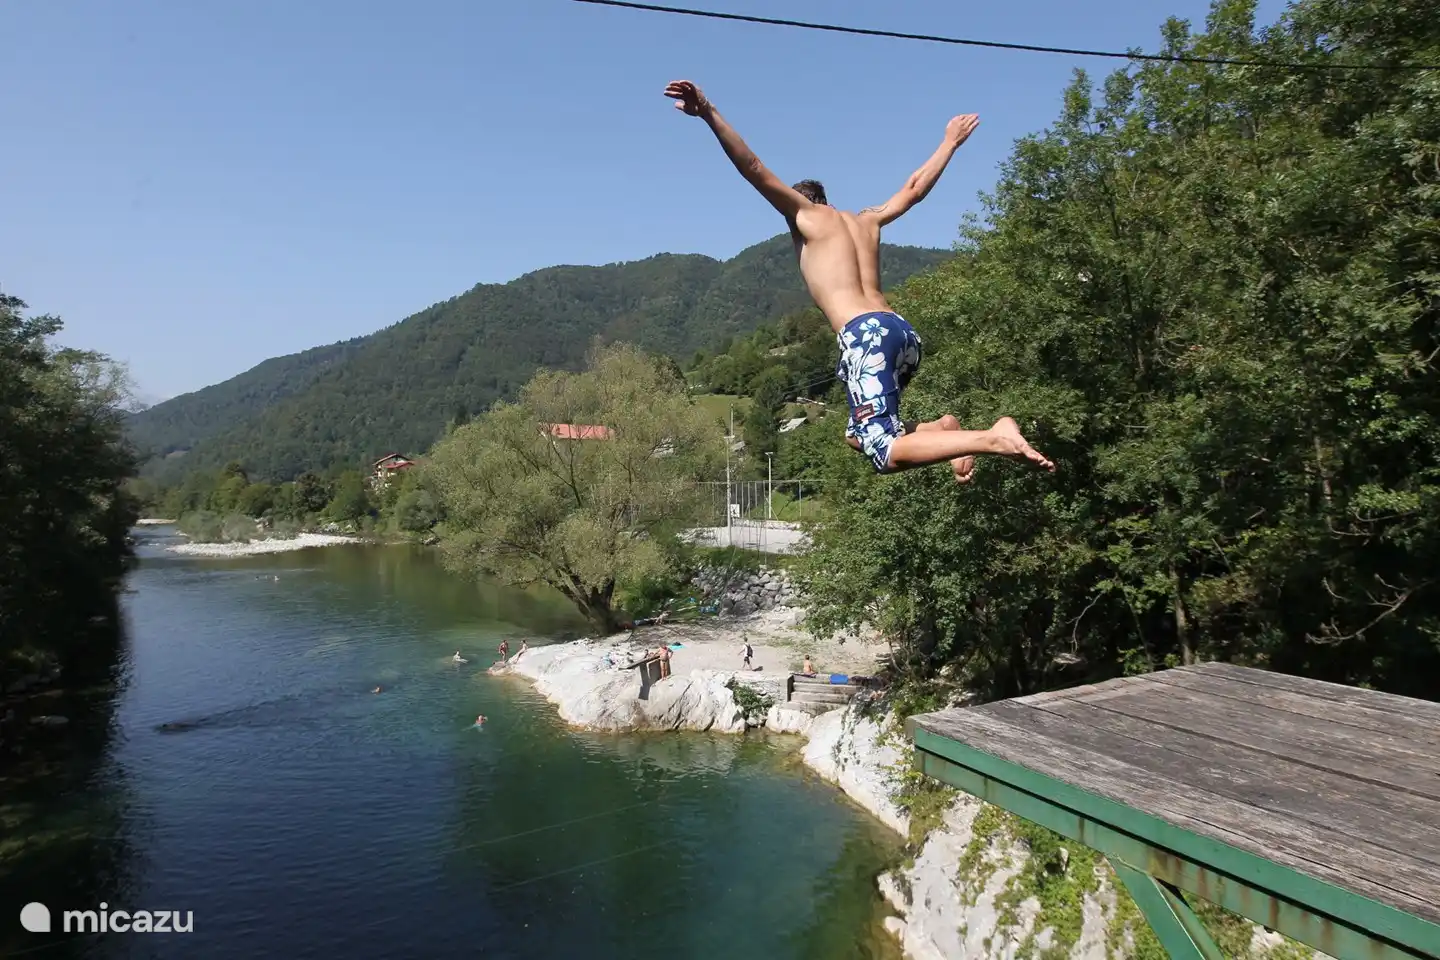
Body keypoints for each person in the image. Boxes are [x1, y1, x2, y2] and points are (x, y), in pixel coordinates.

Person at [663, 80, 1055, 478]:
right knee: (857, 433)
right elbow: (914, 188)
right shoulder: (867, 220)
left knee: (882, 450)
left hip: (864, 334)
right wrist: (950, 142)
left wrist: (709, 112)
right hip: (901, 333)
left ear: (800, 206)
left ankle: (993, 438)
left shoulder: (805, 217)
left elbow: (754, 168)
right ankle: (941, 431)